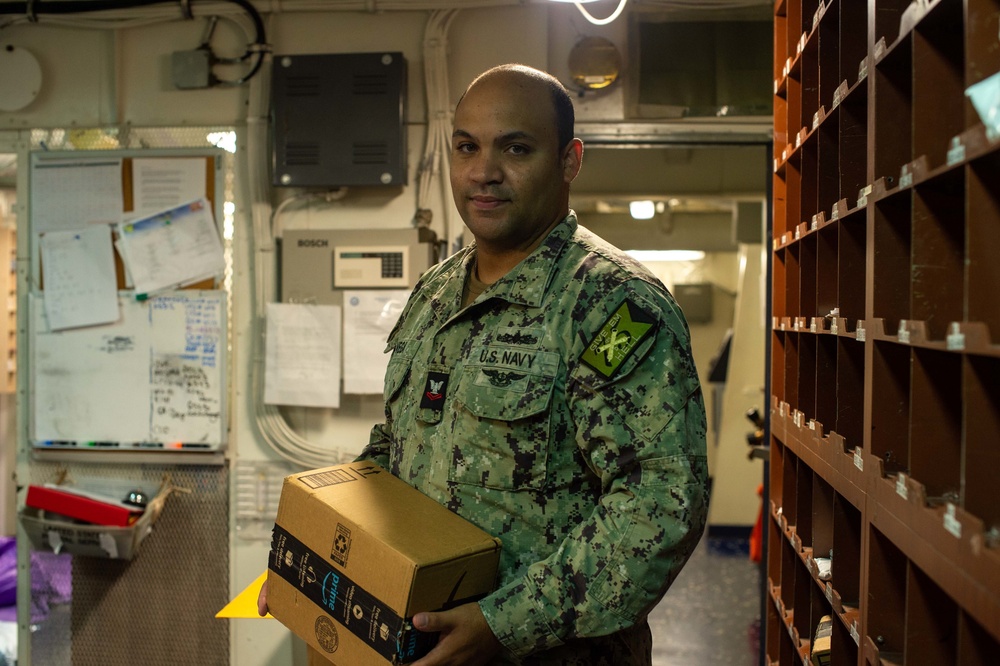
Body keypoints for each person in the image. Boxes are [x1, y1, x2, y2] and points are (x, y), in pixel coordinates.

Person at [262, 63, 709, 666]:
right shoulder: (436, 293)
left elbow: (661, 505)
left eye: (516, 148)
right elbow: (395, 450)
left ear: (570, 160)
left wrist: (503, 624)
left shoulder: (612, 303)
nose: (483, 172)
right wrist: (312, 564)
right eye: (467, 147)